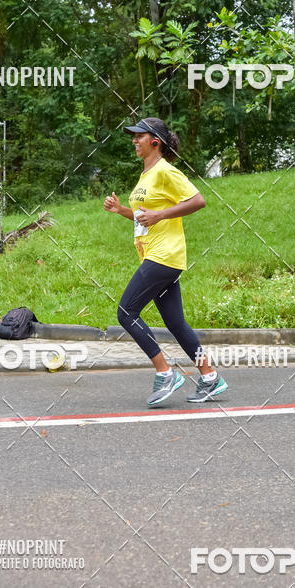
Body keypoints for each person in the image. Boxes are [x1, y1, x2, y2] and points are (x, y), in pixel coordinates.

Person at [104, 117, 228, 407]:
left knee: (126, 311)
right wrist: (122, 209)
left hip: (165, 255)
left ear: (155, 141)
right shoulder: (146, 175)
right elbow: (144, 217)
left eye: (139, 136)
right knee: (175, 323)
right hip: (155, 254)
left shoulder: (164, 171)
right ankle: (210, 377)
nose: (134, 140)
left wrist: (160, 215)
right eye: (133, 136)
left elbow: (198, 200)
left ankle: (165, 372)